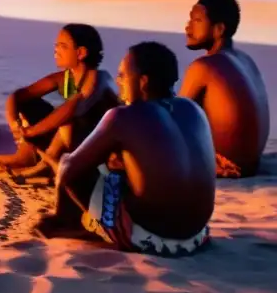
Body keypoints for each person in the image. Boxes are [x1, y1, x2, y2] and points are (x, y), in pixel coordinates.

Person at [35, 42, 214, 256]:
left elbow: (69, 169)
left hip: (151, 239)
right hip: (196, 236)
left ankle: (67, 222)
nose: (118, 82)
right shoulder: (194, 110)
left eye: (123, 76)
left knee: (68, 163)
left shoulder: (122, 116)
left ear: (143, 82)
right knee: (114, 171)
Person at [2, 24, 119, 181]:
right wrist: (15, 125)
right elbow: (18, 96)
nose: (56, 50)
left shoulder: (98, 77)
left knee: (67, 116)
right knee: (28, 104)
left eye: (62, 46)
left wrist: (30, 132)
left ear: (81, 53)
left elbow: (75, 108)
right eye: (56, 45)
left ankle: (47, 163)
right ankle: (30, 155)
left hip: (100, 151)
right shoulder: (65, 78)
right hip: (72, 142)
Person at [180, 0, 270, 178]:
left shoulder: (204, 66)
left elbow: (172, 118)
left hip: (225, 163)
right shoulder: (246, 59)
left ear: (219, 29)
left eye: (197, 20)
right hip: (251, 163)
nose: (188, 26)